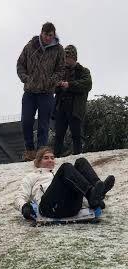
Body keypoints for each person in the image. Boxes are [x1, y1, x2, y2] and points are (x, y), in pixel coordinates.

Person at [15, 147, 115, 222]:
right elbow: (20, 196)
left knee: (81, 162)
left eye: (52, 158)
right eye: (46, 158)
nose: (50, 160)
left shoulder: (57, 174)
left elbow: (77, 186)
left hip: (71, 207)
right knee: (66, 167)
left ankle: (96, 195)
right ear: (38, 161)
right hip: (49, 208)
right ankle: (92, 195)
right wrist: (24, 207)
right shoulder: (32, 176)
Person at [17, 22, 65, 161]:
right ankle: (30, 151)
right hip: (30, 92)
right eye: (46, 35)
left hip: (47, 93)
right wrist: (26, 78)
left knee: (43, 124)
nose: (48, 38)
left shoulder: (58, 50)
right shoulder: (30, 47)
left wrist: (52, 81)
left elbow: (61, 69)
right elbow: (20, 64)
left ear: (53, 35)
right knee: (26, 121)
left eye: (51, 35)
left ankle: (41, 152)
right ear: (41, 33)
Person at [53, 45, 92, 157]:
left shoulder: (83, 71)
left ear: (74, 57)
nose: (65, 60)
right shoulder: (60, 72)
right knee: (59, 134)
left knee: (77, 134)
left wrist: (69, 85)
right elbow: (52, 87)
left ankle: (78, 157)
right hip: (61, 106)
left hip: (75, 107)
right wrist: (57, 85)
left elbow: (87, 85)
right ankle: (56, 157)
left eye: (67, 57)